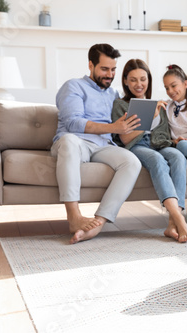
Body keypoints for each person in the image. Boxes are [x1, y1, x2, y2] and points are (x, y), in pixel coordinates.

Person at [51, 44, 142, 244]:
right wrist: (113, 128)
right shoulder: (73, 86)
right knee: (68, 141)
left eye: (113, 70)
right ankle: (74, 216)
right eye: (104, 69)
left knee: (132, 162)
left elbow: (121, 126)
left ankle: (99, 222)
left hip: (103, 145)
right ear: (91, 65)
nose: (109, 75)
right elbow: (73, 123)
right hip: (76, 142)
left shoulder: (113, 94)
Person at [111, 59, 187, 243]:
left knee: (178, 156)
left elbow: (162, 134)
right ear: (125, 81)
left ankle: (172, 223)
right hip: (137, 146)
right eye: (133, 80)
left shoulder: (160, 104)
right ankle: (179, 218)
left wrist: (174, 140)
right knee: (157, 160)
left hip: (160, 144)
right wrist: (150, 116)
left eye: (143, 79)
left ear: (149, 80)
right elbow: (126, 139)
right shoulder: (120, 105)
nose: (139, 84)